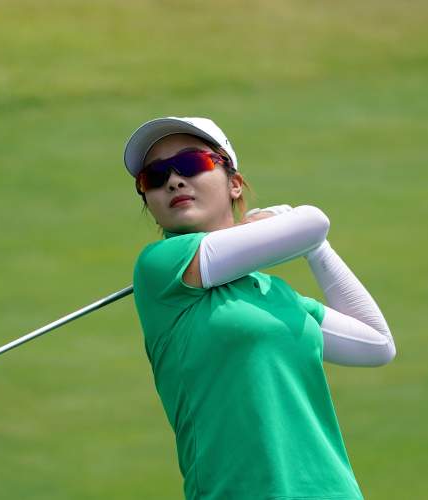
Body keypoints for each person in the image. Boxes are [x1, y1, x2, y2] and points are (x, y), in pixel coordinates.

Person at [124, 116, 396, 500]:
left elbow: (377, 344)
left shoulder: (273, 292)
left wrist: (317, 249)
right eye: (154, 177)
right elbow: (312, 220)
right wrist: (281, 220)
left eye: (191, 163)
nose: (173, 181)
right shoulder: (160, 266)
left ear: (234, 183)